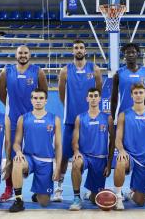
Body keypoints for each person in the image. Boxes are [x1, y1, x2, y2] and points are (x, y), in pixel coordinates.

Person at [0, 45, 48, 202]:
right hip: (12, 119)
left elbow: (44, 93)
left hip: (33, 120)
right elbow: (1, 93)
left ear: (30, 54)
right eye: (20, 53)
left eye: (26, 52)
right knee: (11, 155)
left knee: (38, 154)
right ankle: (9, 189)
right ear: (16, 54)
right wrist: (11, 106)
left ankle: (38, 189)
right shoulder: (6, 72)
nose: (23, 55)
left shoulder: (38, 71)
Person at [56, 40, 102, 202]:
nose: (79, 50)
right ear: (72, 51)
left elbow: (98, 91)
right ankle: (58, 188)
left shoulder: (94, 70)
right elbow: (62, 94)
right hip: (70, 121)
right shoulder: (65, 71)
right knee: (63, 157)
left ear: (85, 50)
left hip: (90, 122)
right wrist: (71, 109)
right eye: (76, 48)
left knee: (91, 156)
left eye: (81, 47)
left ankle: (90, 189)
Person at [110, 43, 145, 202]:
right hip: (123, 118)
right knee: (120, 156)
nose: (130, 55)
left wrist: (144, 98)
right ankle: (118, 192)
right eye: (127, 53)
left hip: (141, 118)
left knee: (143, 152)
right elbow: (114, 98)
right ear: (124, 55)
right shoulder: (119, 74)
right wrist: (113, 117)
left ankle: (140, 188)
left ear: (138, 54)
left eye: (133, 52)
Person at [8, 88, 62, 212]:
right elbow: (16, 143)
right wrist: (18, 152)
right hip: (29, 158)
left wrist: (58, 167)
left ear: (46, 101)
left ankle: (39, 193)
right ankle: (18, 200)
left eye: (41, 98)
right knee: (17, 161)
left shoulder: (55, 119)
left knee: (44, 202)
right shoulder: (23, 118)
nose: (38, 101)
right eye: (35, 98)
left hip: (46, 161)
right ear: (31, 100)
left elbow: (58, 146)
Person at [113, 83, 145, 210]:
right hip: (128, 156)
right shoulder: (124, 115)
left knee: (140, 202)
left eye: (141, 92)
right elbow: (117, 139)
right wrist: (122, 150)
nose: (138, 95)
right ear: (131, 95)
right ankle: (118, 197)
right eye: (135, 93)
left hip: (144, 161)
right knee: (120, 161)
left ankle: (132, 192)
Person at [69, 88, 115, 210]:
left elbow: (112, 143)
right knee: (76, 163)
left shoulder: (107, 118)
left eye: (96, 95)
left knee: (96, 200)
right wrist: (76, 151)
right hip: (85, 156)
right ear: (87, 98)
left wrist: (109, 164)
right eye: (91, 95)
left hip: (100, 159)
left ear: (100, 99)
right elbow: (75, 139)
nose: (93, 98)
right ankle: (77, 197)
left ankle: (90, 194)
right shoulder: (80, 118)